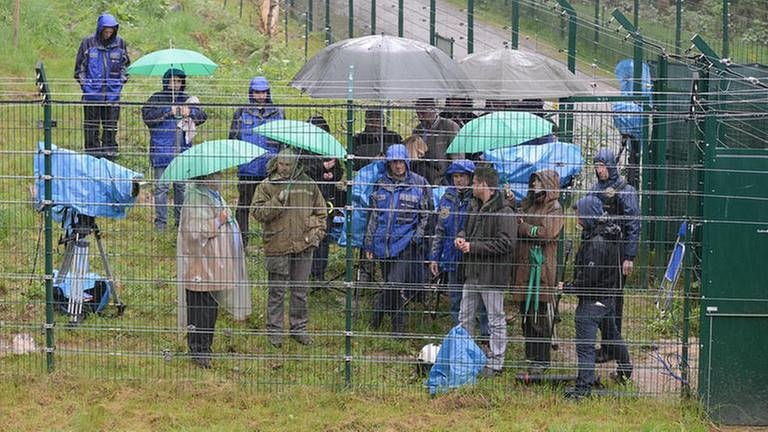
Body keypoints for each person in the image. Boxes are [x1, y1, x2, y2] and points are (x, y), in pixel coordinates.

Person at [252, 148, 327, 347]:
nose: (284, 169)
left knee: (300, 290)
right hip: (277, 244)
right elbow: (257, 213)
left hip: (304, 244)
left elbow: (321, 213)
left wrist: (315, 236)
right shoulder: (267, 186)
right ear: (277, 163)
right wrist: (278, 201)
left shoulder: (309, 185)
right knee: (277, 291)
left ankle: (299, 328)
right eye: (281, 164)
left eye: (288, 165)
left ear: (296, 165)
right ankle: (275, 332)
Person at [176, 173, 251, 368]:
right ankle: (198, 350)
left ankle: (205, 347)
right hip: (201, 266)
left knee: (210, 308)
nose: (219, 178)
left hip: (215, 264)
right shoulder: (194, 199)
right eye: (215, 175)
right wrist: (218, 221)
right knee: (200, 309)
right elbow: (193, 233)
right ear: (205, 177)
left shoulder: (214, 195)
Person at [562, 195, 632, 398]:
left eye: (578, 213)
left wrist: (569, 287)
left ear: (587, 214)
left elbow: (590, 276)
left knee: (585, 346)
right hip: (607, 298)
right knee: (612, 335)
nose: (576, 217)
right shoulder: (607, 234)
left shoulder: (597, 242)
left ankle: (583, 390)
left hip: (593, 301)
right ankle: (626, 370)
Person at [364, 144, 432, 333]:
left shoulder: (420, 184)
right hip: (382, 244)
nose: (398, 165)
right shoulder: (379, 184)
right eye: (394, 162)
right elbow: (373, 216)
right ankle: (397, 327)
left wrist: (417, 237)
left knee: (394, 283)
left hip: (406, 244)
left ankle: (376, 316)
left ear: (407, 162)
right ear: (389, 163)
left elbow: (427, 214)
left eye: (401, 161)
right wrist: (368, 244)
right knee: (392, 286)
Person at [456, 166, 517, 378]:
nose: (471, 186)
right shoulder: (474, 207)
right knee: (465, 316)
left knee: (495, 319)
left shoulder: (505, 211)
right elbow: (466, 229)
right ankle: (465, 356)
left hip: (492, 275)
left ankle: (496, 363)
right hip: (472, 272)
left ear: (483, 185)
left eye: (474, 182)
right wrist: (462, 237)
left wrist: (474, 247)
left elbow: (506, 244)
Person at [588, 147, 640, 362]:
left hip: (618, 254)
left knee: (614, 301)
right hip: (599, 253)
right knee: (599, 299)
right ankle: (605, 345)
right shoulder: (595, 188)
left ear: (610, 165)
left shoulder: (626, 190)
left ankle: (613, 349)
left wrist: (629, 256)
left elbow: (633, 225)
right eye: (596, 166)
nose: (599, 170)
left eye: (602, 166)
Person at [142, 68, 207, 231]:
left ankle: (180, 223)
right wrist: (168, 111)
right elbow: (148, 118)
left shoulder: (187, 99)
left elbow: (202, 116)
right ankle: (160, 224)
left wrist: (190, 112)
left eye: (178, 81)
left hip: (183, 152)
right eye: (172, 80)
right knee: (161, 188)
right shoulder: (155, 98)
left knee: (181, 188)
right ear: (166, 81)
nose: (175, 84)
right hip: (161, 151)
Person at [512, 170, 564, 372]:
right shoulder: (531, 203)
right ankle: (530, 356)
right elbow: (521, 217)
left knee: (539, 314)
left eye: (538, 182)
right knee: (526, 312)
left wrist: (525, 228)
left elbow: (545, 233)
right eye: (533, 182)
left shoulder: (555, 208)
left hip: (541, 269)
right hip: (525, 266)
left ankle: (542, 360)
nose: (534, 185)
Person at [229, 76, 285, 248]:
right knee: (244, 204)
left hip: (270, 167)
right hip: (248, 167)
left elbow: (284, 139)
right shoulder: (241, 111)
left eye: (263, 92)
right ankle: (241, 241)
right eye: (257, 92)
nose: (260, 95)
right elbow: (233, 137)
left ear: (268, 93)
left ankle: (272, 240)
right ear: (251, 93)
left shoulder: (278, 111)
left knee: (273, 206)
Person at [74, 13, 130, 159]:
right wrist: (86, 87)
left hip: (112, 94)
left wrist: (120, 81)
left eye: (111, 31)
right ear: (100, 29)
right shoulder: (88, 43)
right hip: (92, 95)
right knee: (91, 127)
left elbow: (126, 66)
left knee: (111, 126)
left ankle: (110, 154)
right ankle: (92, 155)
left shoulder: (120, 43)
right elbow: (79, 69)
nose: (108, 34)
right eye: (105, 31)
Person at [429, 159, 475, 325]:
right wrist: (434, 257)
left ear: (470, 177)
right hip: (451, 257)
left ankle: (484, 337)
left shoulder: (477, 199)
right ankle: (459, 333)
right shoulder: (446, 199)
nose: (459, 180)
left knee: (478, 301)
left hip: (472, 257)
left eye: (462, 176)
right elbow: (439, 229)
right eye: (455, 176)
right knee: (455, 298)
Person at [305, 115, 346, 281]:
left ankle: (319, 274)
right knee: (306, 236)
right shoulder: (302, 147)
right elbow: (301, 170)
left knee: (323, 236)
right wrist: (321, 167)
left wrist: (332, 173)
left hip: (326, 198)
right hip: (306, 199)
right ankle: (304, 271)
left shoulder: (329, 147)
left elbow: (339, 171)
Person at [412, 98, 461, 184]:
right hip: (422, 177)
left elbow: (457, 157)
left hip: (444, 179)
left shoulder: (450, 127)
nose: (420, 117)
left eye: (423, 113)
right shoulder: (417, 130)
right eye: (418, 113)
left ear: (433, 110)